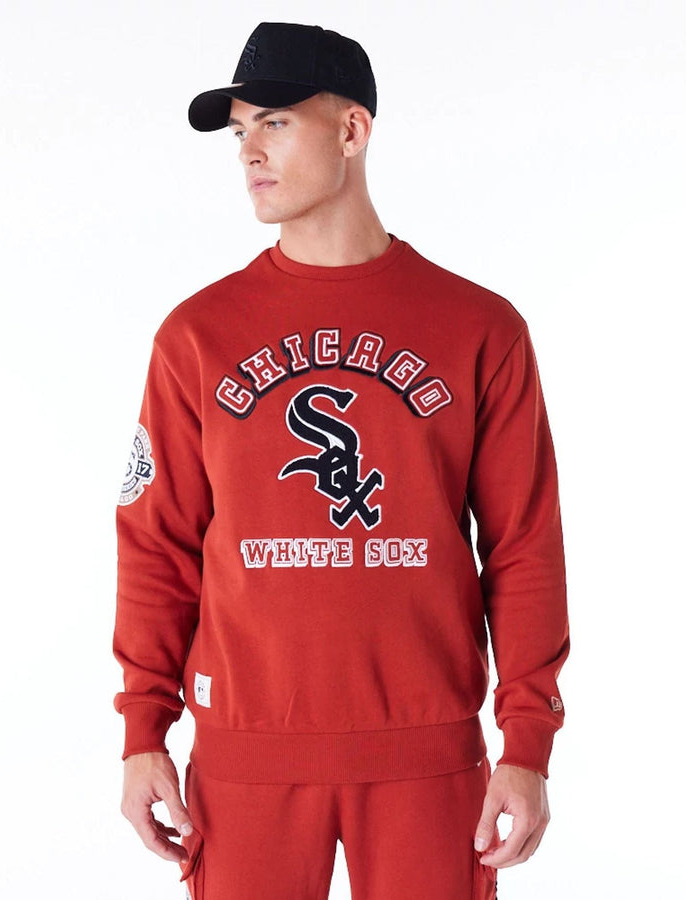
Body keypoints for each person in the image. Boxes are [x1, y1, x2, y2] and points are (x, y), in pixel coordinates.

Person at [112, 21, 569, 900]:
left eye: (275, 122)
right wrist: (142, 732)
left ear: (352, 130)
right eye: (239, 131)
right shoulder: (196, 336)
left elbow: (523, 545)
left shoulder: (479, 328)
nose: (249, 152)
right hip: (245, 754)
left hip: (426, 755)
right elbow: (156, 542)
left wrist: (527, 743)